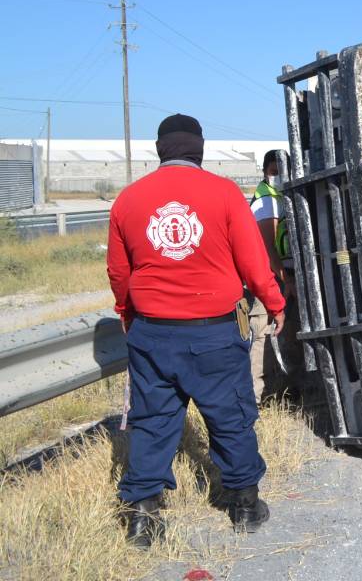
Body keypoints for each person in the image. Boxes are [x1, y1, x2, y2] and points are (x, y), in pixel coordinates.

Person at [106, 114, 286, 548]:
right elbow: (254, 264)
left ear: (160, 149)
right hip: (213, 334)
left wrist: (130, 317)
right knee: (231, 417)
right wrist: (276, 303)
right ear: (198, 149)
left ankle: (143, 518)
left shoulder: (128, 200)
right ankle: (244, 505)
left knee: (151, 423)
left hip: (152, 334)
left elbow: (118, 273)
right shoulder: (224, 194)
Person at [245, 149, 295, 401]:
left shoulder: (281, 196)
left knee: (280, 333)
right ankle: (256, 396)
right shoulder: (266, 201)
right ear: (265, 171)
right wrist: (286, 280)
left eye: (282, 171)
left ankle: (280, 390)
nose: (278, 176)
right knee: (263, 333)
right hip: (269, 277)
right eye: (274, 172)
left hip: (279, 274)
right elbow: (267, 249)